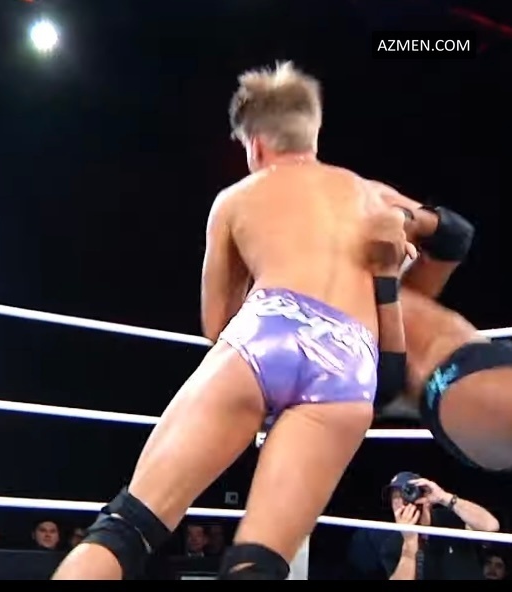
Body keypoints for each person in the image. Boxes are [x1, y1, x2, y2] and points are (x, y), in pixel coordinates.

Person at [52, 61, 413, 580]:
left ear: (256, 145)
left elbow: (216, 323)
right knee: (257, 564)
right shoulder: (368, 195)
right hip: (351, 361)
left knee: (128, 527)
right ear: (312, 132)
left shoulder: (237, 198)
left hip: (268, 328)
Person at [371, 182, 512, 472]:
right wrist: (385, 277)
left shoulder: (401, 282)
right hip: (448, 386)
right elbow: (385, 384)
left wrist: (408, 218)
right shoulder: (322, 310)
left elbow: (454, 236)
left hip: (482, 357)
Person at [347, 471, 498, 580]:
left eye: (406, 494)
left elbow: (491, 526)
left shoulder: (451, 519)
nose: (400, 503)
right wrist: (410, 544)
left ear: (424, 496)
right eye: (395, 498)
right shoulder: (393, 545)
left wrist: (444, 498)